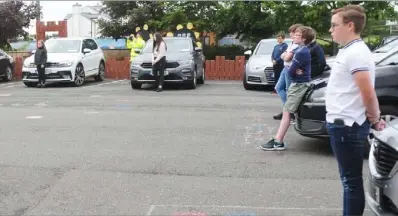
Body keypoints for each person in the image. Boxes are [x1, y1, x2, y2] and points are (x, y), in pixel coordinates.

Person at [325, 5, 386, 216]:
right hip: (343, 124)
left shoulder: (357, 53)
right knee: (350, 180)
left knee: (351, 182)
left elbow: (367, 92)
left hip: (347, 126)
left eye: (334, 25)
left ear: (349, 26)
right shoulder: (351, 51)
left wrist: (375, 118)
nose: (330, 30)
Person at [261, 26, 314, 151]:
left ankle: (278, 142)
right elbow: (294, 68)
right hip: (298, 83)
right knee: (287, 111)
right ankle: (278, 140)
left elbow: (290, 71)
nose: (294, 36)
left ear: (304, 38)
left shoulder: (301, 52)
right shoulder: (301, 50)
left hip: (299, 85)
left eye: (297, 35)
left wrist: (296, 71)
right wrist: (296, 70)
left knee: (287, 112)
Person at [273, 23, 303, 122]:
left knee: (288, 90)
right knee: (278, 87)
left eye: (291, 32)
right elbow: (284, 54)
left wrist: (285, 55)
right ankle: (287, 110)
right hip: (285, 67)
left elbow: (287, 57)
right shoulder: (291, 43)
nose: (290, 34)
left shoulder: (297, 44)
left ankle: (290, 112)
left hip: (290, 68)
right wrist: (284, 55)